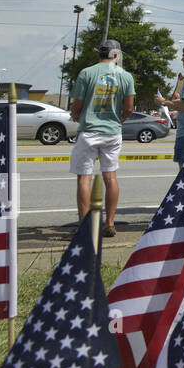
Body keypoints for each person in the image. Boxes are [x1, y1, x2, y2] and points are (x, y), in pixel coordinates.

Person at [68, 39, 135, 236]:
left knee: (84, 178)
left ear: (100, 54)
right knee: (110, 176)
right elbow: (129, 107)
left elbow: (77, 104)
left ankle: (84, 225)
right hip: (112, 131)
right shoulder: (126, 76)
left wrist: (75, 115)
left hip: (89, 130)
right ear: (116, 55)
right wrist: (120, 119)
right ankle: (109, 223)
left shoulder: (87, 73)